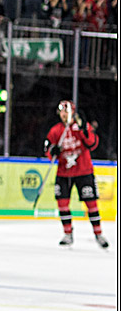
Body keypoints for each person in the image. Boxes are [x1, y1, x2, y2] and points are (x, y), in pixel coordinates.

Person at [43, 100, 107, 248]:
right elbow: (48, 149)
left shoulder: (81, 126)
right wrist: (53, 151)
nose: (63, 115)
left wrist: (85, 130)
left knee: (91, 203)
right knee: (62, 203)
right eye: (61, 112)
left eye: (66, 112)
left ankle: (98, 234)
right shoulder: (56, 131)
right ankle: (67, 233)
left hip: (83, 171)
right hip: (64, 173)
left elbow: (92, 144)